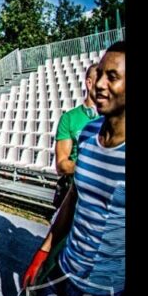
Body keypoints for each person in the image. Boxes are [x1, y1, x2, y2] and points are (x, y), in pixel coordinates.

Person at [0, 42, 125, 296]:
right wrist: (44, 252)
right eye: (100, 75)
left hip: (103, 289)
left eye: (113, 77)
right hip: (65, 268)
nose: (101, 85)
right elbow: (74, 196)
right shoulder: (90, 132)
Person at [53, 63, 98, 209]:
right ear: (89, 83)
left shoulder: (116, 118)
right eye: (102, 79)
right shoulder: (69, 118)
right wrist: (97, 167)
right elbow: (61, 165)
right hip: (75, 193)